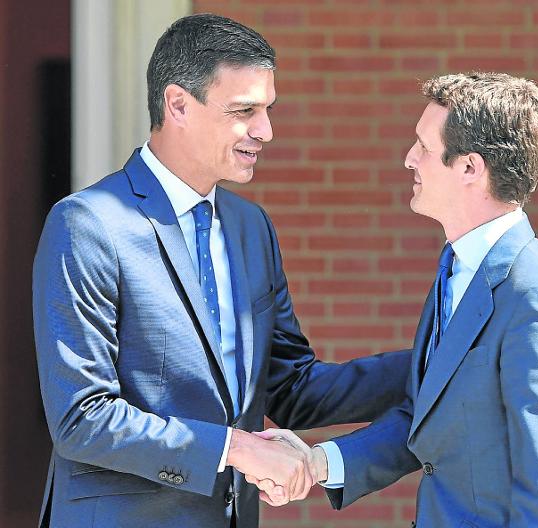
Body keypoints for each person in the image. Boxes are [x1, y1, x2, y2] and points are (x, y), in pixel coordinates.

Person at [32, 13, 411, 528]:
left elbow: (292, 389)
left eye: (268, 110)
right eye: (244, 111)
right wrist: (238, 449)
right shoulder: (88, 224)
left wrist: (437, 359)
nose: (266, 131)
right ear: (178, 104)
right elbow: (82, 418)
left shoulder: (249, 226)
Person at [256, 73, 538, 527]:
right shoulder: (456, 268)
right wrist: (320, 462)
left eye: (424, 147)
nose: (409, 159)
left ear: (470, 168)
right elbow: (428, 416)